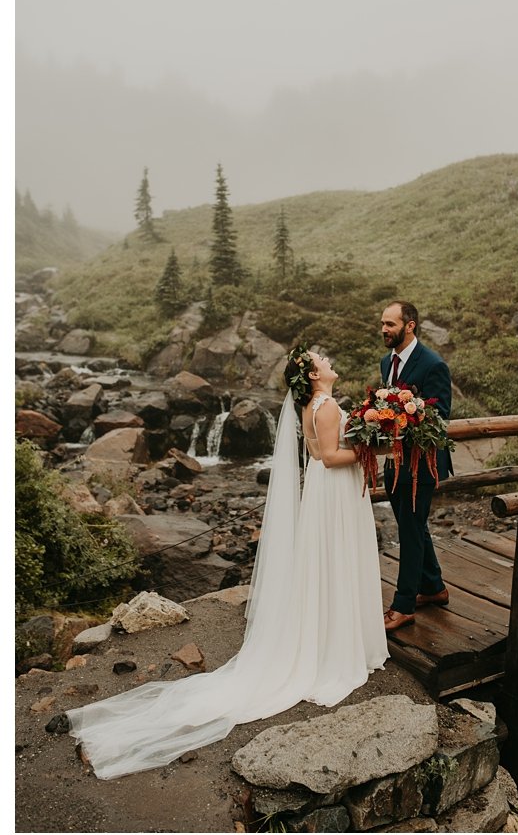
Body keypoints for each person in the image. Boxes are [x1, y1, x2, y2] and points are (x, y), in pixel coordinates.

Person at [67, 346, 388, 779]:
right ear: (314, 375)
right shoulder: (327, 406)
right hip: (332, 491)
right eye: (321, 359)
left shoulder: (313, 405)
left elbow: (317, 456)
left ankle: (327, 635)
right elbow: (330, 457)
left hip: (320, 494)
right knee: (336, 563)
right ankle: (335, 645)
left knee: (323, 566)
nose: (329, 360)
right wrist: (376, 451)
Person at [377, 301, 454, 631]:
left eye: (390, 324)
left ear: (410, 326)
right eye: (382, 323)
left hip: (422, 465)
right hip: (394, 462)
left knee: (409, 531)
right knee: (414, 525)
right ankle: (434, 587)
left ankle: (404, 605)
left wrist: (410, 414)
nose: (384, 329)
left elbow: (441, 417)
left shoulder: (433, 364)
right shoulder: (386, 362)